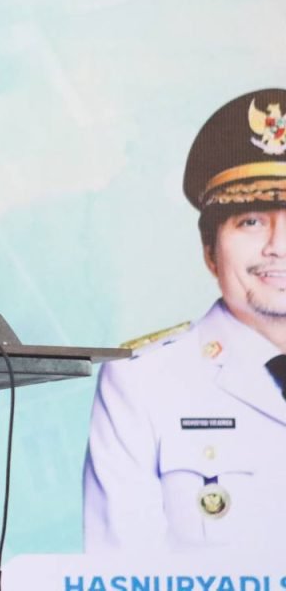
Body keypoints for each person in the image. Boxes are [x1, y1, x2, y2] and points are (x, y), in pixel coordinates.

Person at [83, 88, 286, 552]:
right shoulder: (142, 382)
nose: (278, 245)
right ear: (210, 250)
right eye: (251, 221)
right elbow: (121, 572)